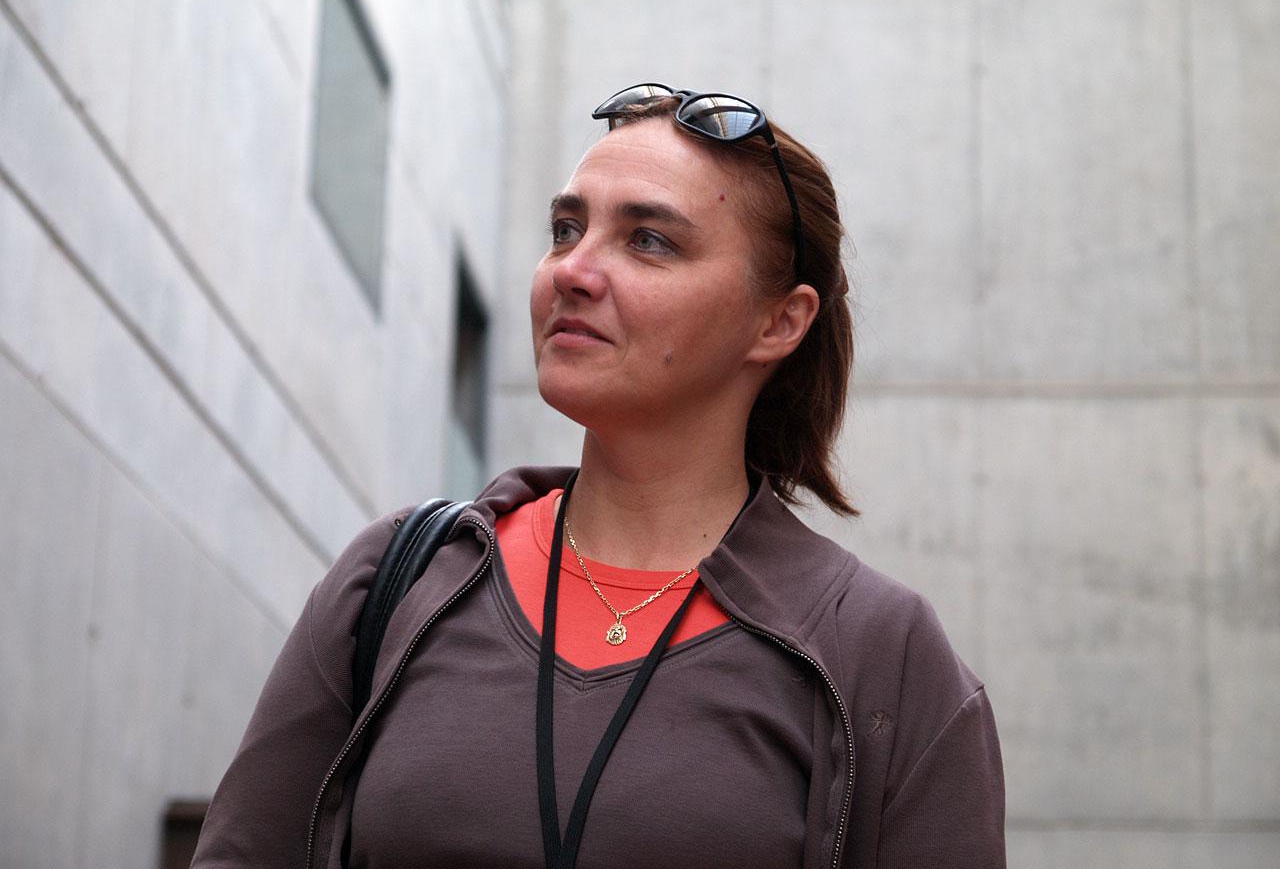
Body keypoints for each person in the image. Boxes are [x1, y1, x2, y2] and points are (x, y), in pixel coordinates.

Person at [192, 84, 1006, 869]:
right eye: (565, 229)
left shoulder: (884, 657)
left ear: (778, 322)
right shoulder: (398, 577)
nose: (572, 271)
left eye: (648, 240)